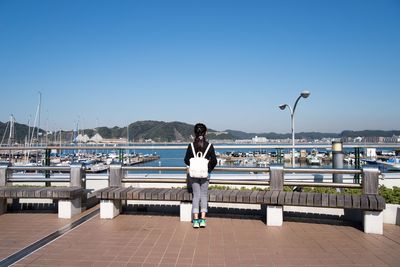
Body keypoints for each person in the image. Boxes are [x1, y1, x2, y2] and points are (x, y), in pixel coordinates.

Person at [184, 123, 217, 228]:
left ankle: (195, 220)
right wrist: (207, 169)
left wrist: (194, 165)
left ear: (195, 133)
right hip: (205, 174)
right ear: (205, 132)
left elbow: (186, 160)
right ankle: (202, 220)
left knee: (196, 196)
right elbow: (214, 161)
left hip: (193, 175)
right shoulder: (210, 146)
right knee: (203, 195)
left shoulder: (191, 146)